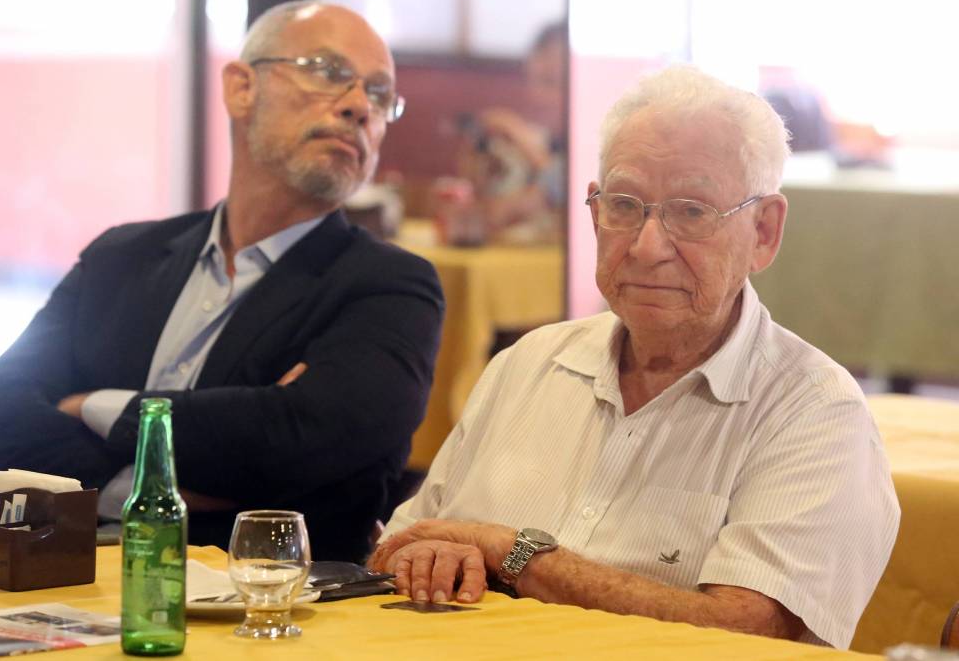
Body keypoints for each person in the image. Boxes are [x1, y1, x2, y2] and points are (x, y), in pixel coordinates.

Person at [370, 65, 899, 649]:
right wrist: (428, 558)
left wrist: (512, 553)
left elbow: (752, 635)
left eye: (692, 211)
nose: (647, 247)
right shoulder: (529, 364)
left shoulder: (815, 413)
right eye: (624, 205)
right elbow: (398, 546)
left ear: (764, 232)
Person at [0, 0, 444, 562]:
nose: (359, 106)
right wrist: (151, 494)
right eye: (327, 71)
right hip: (71, 583)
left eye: (380, 94)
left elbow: (298, 446)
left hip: (266, 599)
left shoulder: (391, 286)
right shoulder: (120, 258)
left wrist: (91, 406)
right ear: (241, 88)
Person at [454, 22, 567, 244]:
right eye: (535, 81)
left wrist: (517, 134)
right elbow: (481, 196)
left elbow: (562, 185)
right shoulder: (539, 137)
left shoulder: (591, 142)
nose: (539, 95)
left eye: (551, 82)